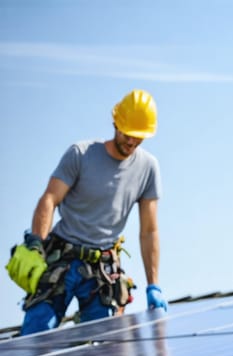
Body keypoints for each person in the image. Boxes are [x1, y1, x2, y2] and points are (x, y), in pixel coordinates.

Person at [6, 89, 168, 336]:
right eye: (127, 134)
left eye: (139, 137)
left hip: (102, 270)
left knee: (105, 346)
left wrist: (153, 284)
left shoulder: (148, 168)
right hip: (63, 259)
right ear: (115, 123)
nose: (132, 142)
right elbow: (50, 199)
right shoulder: (81, 154)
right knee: (36, 334)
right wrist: (36, 243)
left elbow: (149, 230)